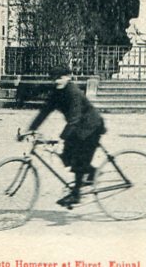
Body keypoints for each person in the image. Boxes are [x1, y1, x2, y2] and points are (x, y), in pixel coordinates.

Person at [26, 66, 106, 208]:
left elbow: (74, 117)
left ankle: (76, 195)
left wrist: (63, 138)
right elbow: (45, 111)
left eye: (59, 77)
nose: (57, 81)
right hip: (77, 128)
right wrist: (31, 129)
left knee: (79, 161)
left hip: (91, 127)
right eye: (54, 78)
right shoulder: (57, 93)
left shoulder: (73, 92)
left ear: (67, 76)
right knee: (66, 157)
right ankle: (92, 172)